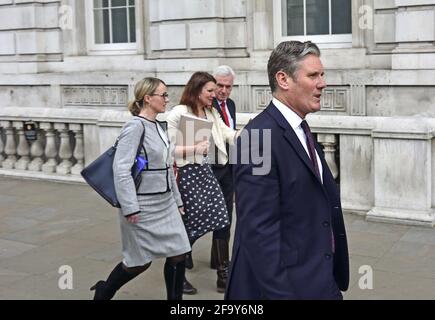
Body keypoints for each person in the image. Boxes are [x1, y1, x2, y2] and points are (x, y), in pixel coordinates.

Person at [225, 41, 349, 300]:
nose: (322, 83)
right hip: (288, 287)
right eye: (313, 75)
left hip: (320, 277)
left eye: (322, 74)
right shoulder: (255, 139)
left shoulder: (301, 128)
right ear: (283, 79)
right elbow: (258, 233)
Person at [90, 77, 191, 300]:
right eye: (163, 95)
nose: (167, 99)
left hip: (165, 204)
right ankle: (104, 291)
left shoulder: (159, 126)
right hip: (142, 206)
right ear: (148, 98)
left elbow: (167, 166)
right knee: (138, 263)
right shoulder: (134, 127)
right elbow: (121, 169)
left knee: (179, 254)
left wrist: (178, 200)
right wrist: (130, 207)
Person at [166, 71, 236, 294]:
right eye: (211, 91)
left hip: (204, 173)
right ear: (197, 90)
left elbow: (227, 133)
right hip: (185, 175)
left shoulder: (210, 112)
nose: (215, 95)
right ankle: (179, 270)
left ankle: (222, 271)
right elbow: (165, 150)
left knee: (221, 217)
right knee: (188, 226)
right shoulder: (178, 113)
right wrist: (194, 148)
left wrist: (253, 133)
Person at [208, 66, 236, 291]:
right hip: (209, 170)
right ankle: (183, 254)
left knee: (225, 216)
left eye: (228, 86)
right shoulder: (205, 106)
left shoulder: (232, 105)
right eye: (220, 85)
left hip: (229, 171)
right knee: (199, 218)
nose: (223, 90)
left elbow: (231, 136)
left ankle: (221, 268)